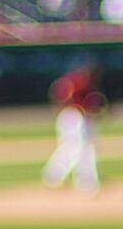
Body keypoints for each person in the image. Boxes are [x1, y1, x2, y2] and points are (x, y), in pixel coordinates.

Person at [42, 63, 105, 194]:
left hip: (79, 118)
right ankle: (57, 176)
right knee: (75, 148)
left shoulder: (86, 84)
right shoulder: (77, 82)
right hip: (73, 117)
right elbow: (63, 98)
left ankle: (81, 179)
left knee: (83, 148)